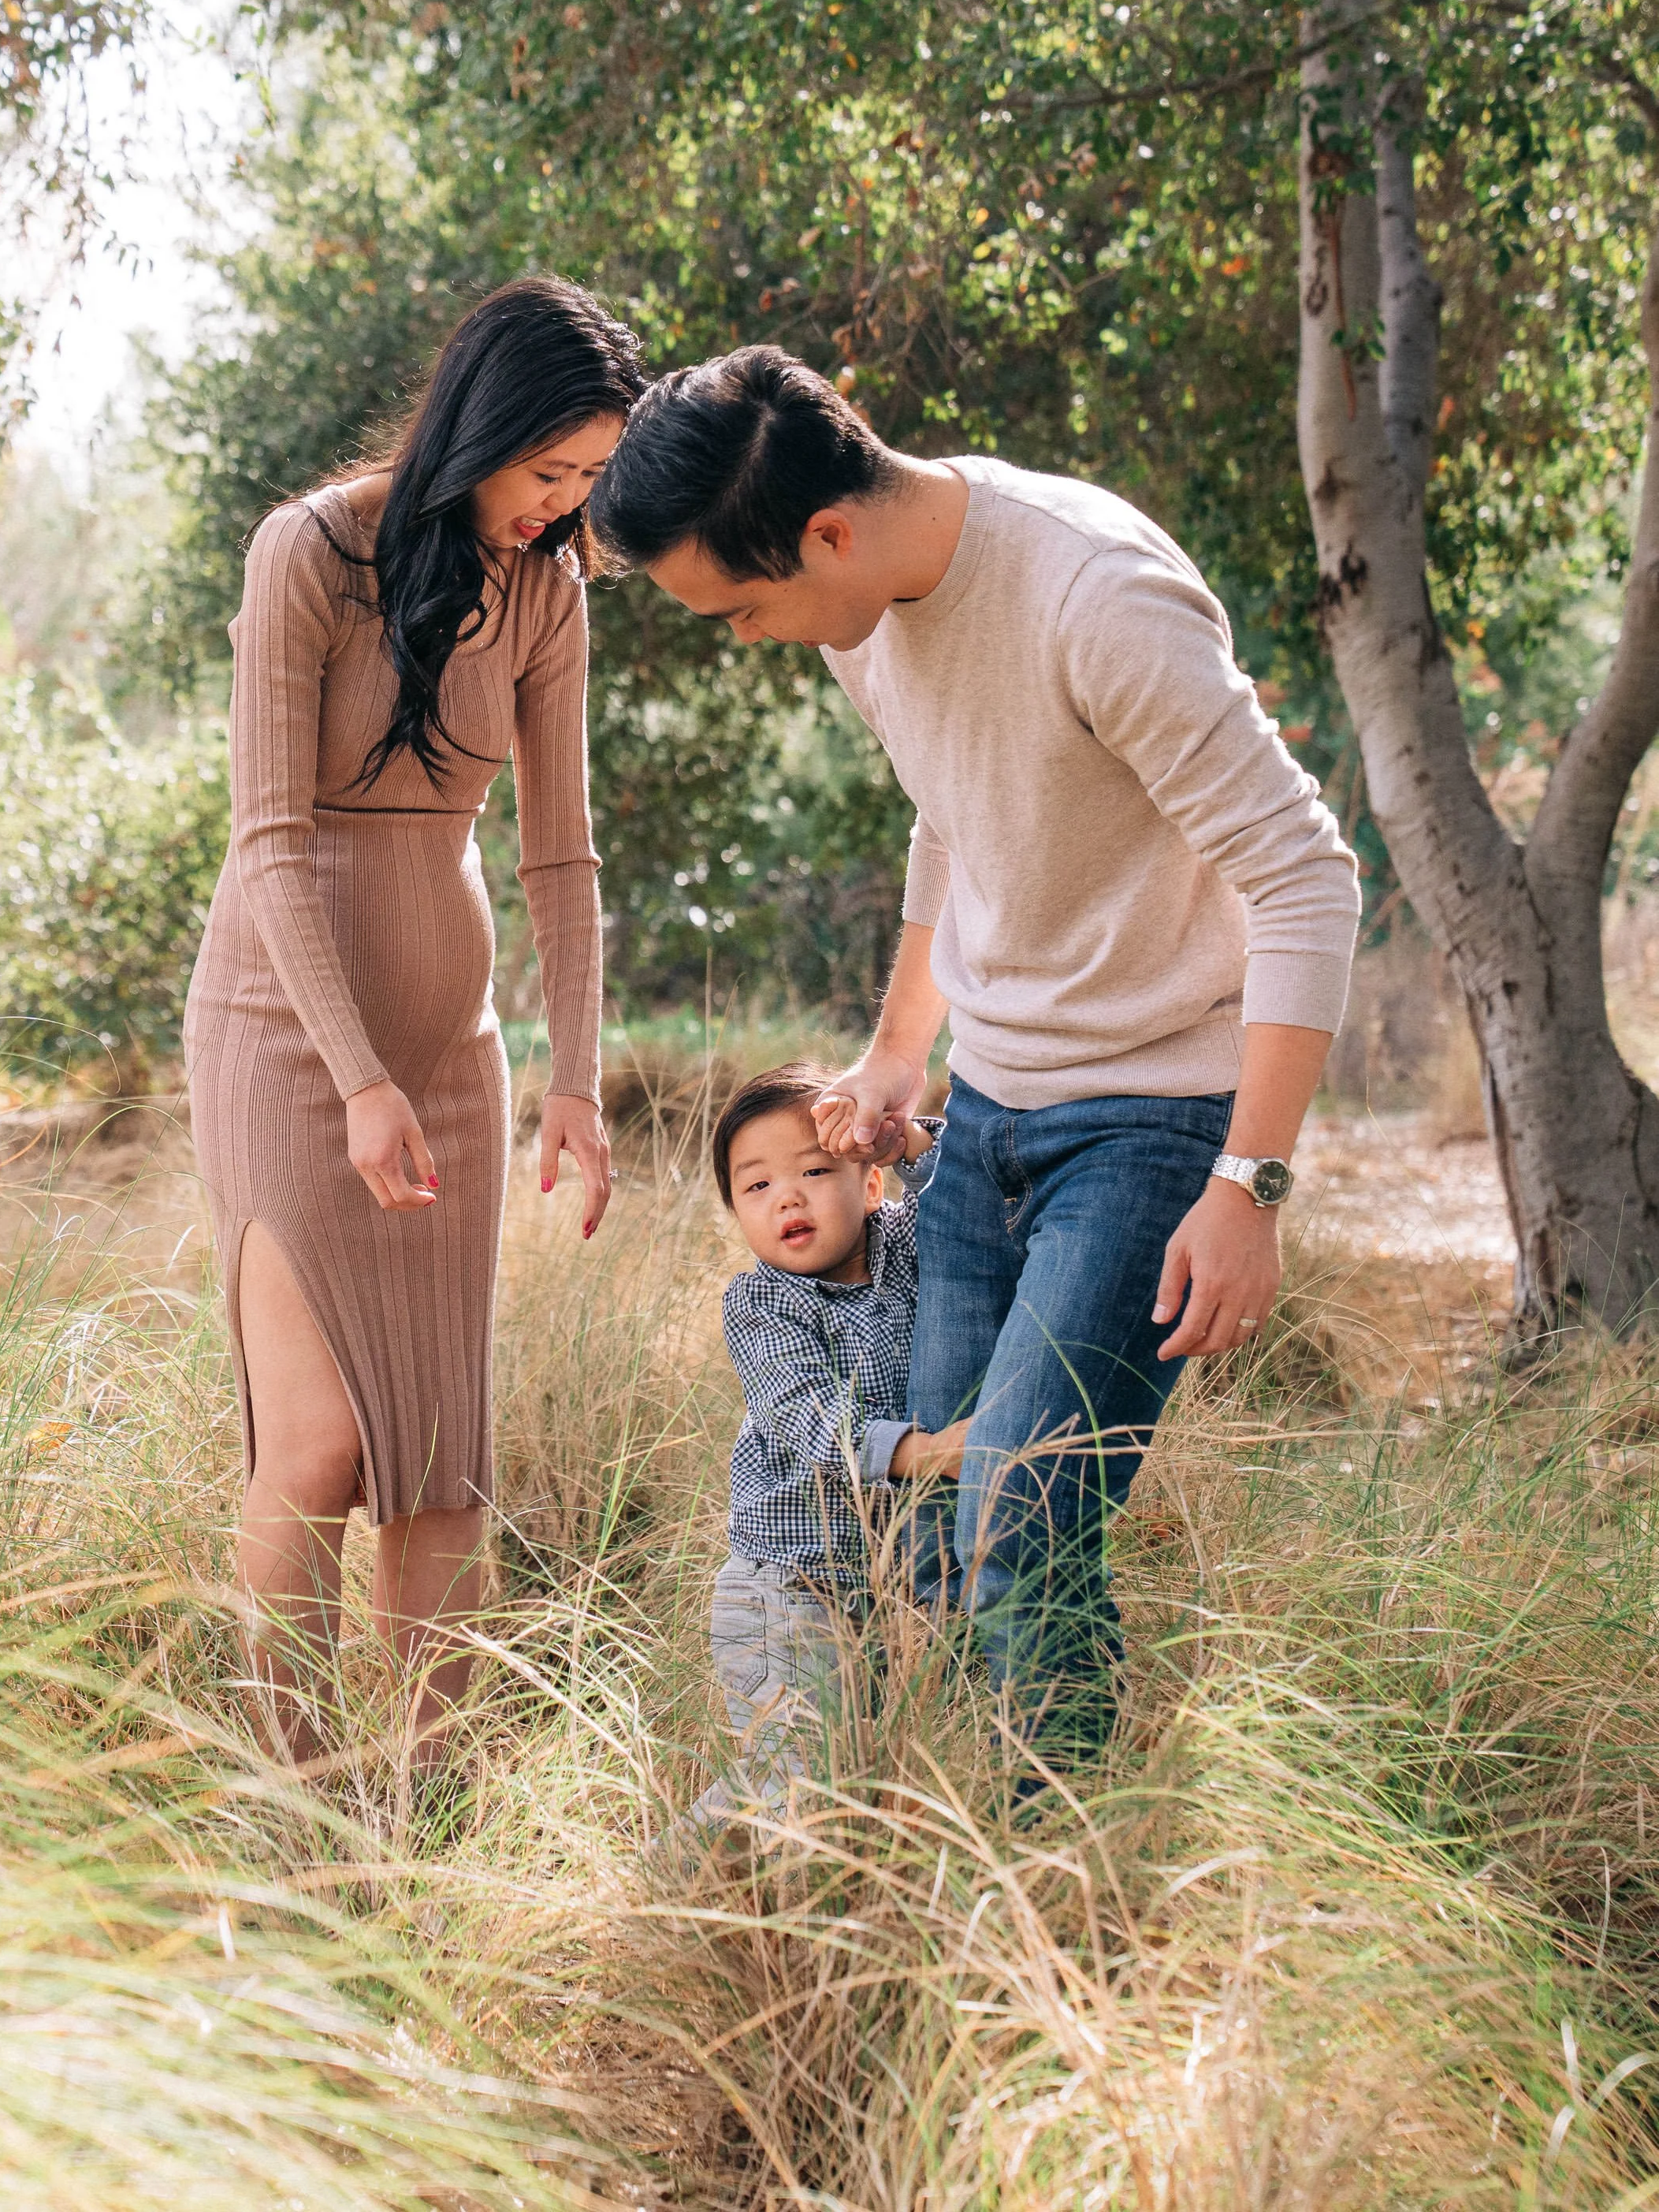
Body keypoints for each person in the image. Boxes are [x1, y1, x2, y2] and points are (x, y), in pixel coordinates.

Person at [590, 349, 1361, 1763]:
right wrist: (900, 1048)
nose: (750, 637)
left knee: (1019, 1514)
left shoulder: (1094, 598)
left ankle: (1055, 1903)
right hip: (979, 1119)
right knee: (934, 1534)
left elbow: (1307, 876)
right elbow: (949, 805)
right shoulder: (860, 615)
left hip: (1148, 1119)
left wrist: (1250, 1182)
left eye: (742, 606)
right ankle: (956, 1867)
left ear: (824, 532)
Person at [184, 276, 644, 1768]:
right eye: (545, 470)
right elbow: (268, 837)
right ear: (480, 428)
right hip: (284, 1032)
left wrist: (574, 1076)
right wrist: (355, 1077)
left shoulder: (549, 590)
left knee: (441, 1473)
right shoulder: (313, 551)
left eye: (588, 480)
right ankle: (297, 1816)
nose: (560, 505)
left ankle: (422, 1814)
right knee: (317, 1451)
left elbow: (560, 855)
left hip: (452, 1060)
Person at [688, 1061, 957, 1828]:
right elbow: (802, 1414)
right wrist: (918, 1453)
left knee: (857, 1785)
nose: (789, 1198)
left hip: (882, 1593)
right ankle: (666, 1892)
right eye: (757, 1186)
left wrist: (900, 1136)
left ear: (870, 1183)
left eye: (813, 1169)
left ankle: (802, 1918)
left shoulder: (903, 1247)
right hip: (787, 1591)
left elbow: (968, 1190)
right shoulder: (763, 1300)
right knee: (794, 1782)